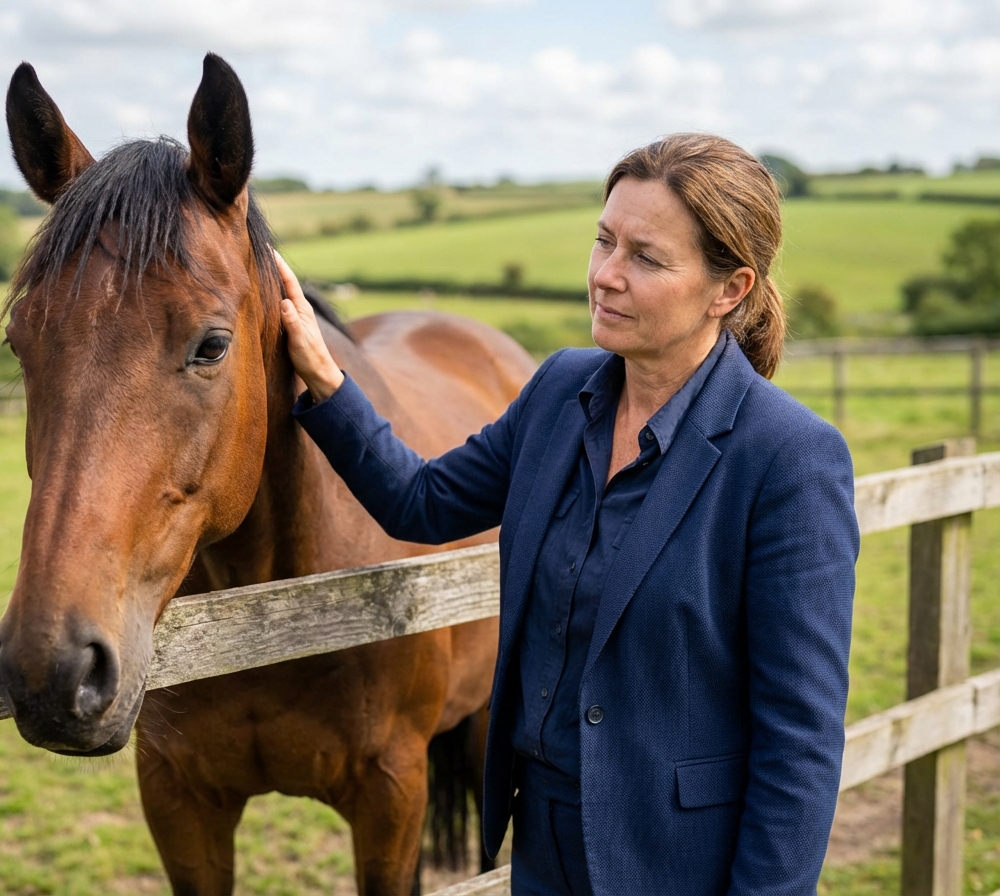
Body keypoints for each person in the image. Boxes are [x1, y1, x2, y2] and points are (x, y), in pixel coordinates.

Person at [276, 133, 858, 894]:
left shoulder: (789, 458)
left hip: (674, 859)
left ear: (729, 289)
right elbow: (421, 502)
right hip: (543, 839)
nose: (606, 275)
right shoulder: (559, 391)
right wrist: (325, 378)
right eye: (604, 240)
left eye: (646, 258)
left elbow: (800, 739)